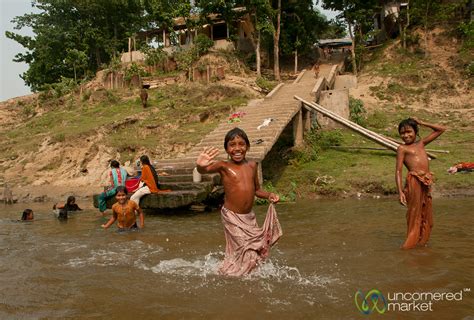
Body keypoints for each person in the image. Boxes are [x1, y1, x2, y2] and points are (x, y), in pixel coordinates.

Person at [196, 127, 282, 276]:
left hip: (249, 218)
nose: (237, 148)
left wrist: (269, 195)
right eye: (232, 145)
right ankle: (237, 274)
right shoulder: (223, 166)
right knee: (246, 250)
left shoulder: (252, 166)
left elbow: (256, 190)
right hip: (231, 217)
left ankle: (241, 273)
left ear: (247, 147)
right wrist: (200, 165)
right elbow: (204, 170)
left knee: (255, 251)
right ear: (226, 149)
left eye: (241, 144)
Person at [395, 117, 446, 249]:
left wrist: (422, 122)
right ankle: (408, 245)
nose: (406, 135)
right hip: (414, 182)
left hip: (426, 182)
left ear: (416, 131)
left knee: (426, 214)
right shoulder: (402, 149)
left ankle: (420, 242)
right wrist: (400, 192)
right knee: (414, 213)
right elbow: (398, 171)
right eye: (402, 133)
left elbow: (441, 129)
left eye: (409, 131)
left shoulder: (421, 144)